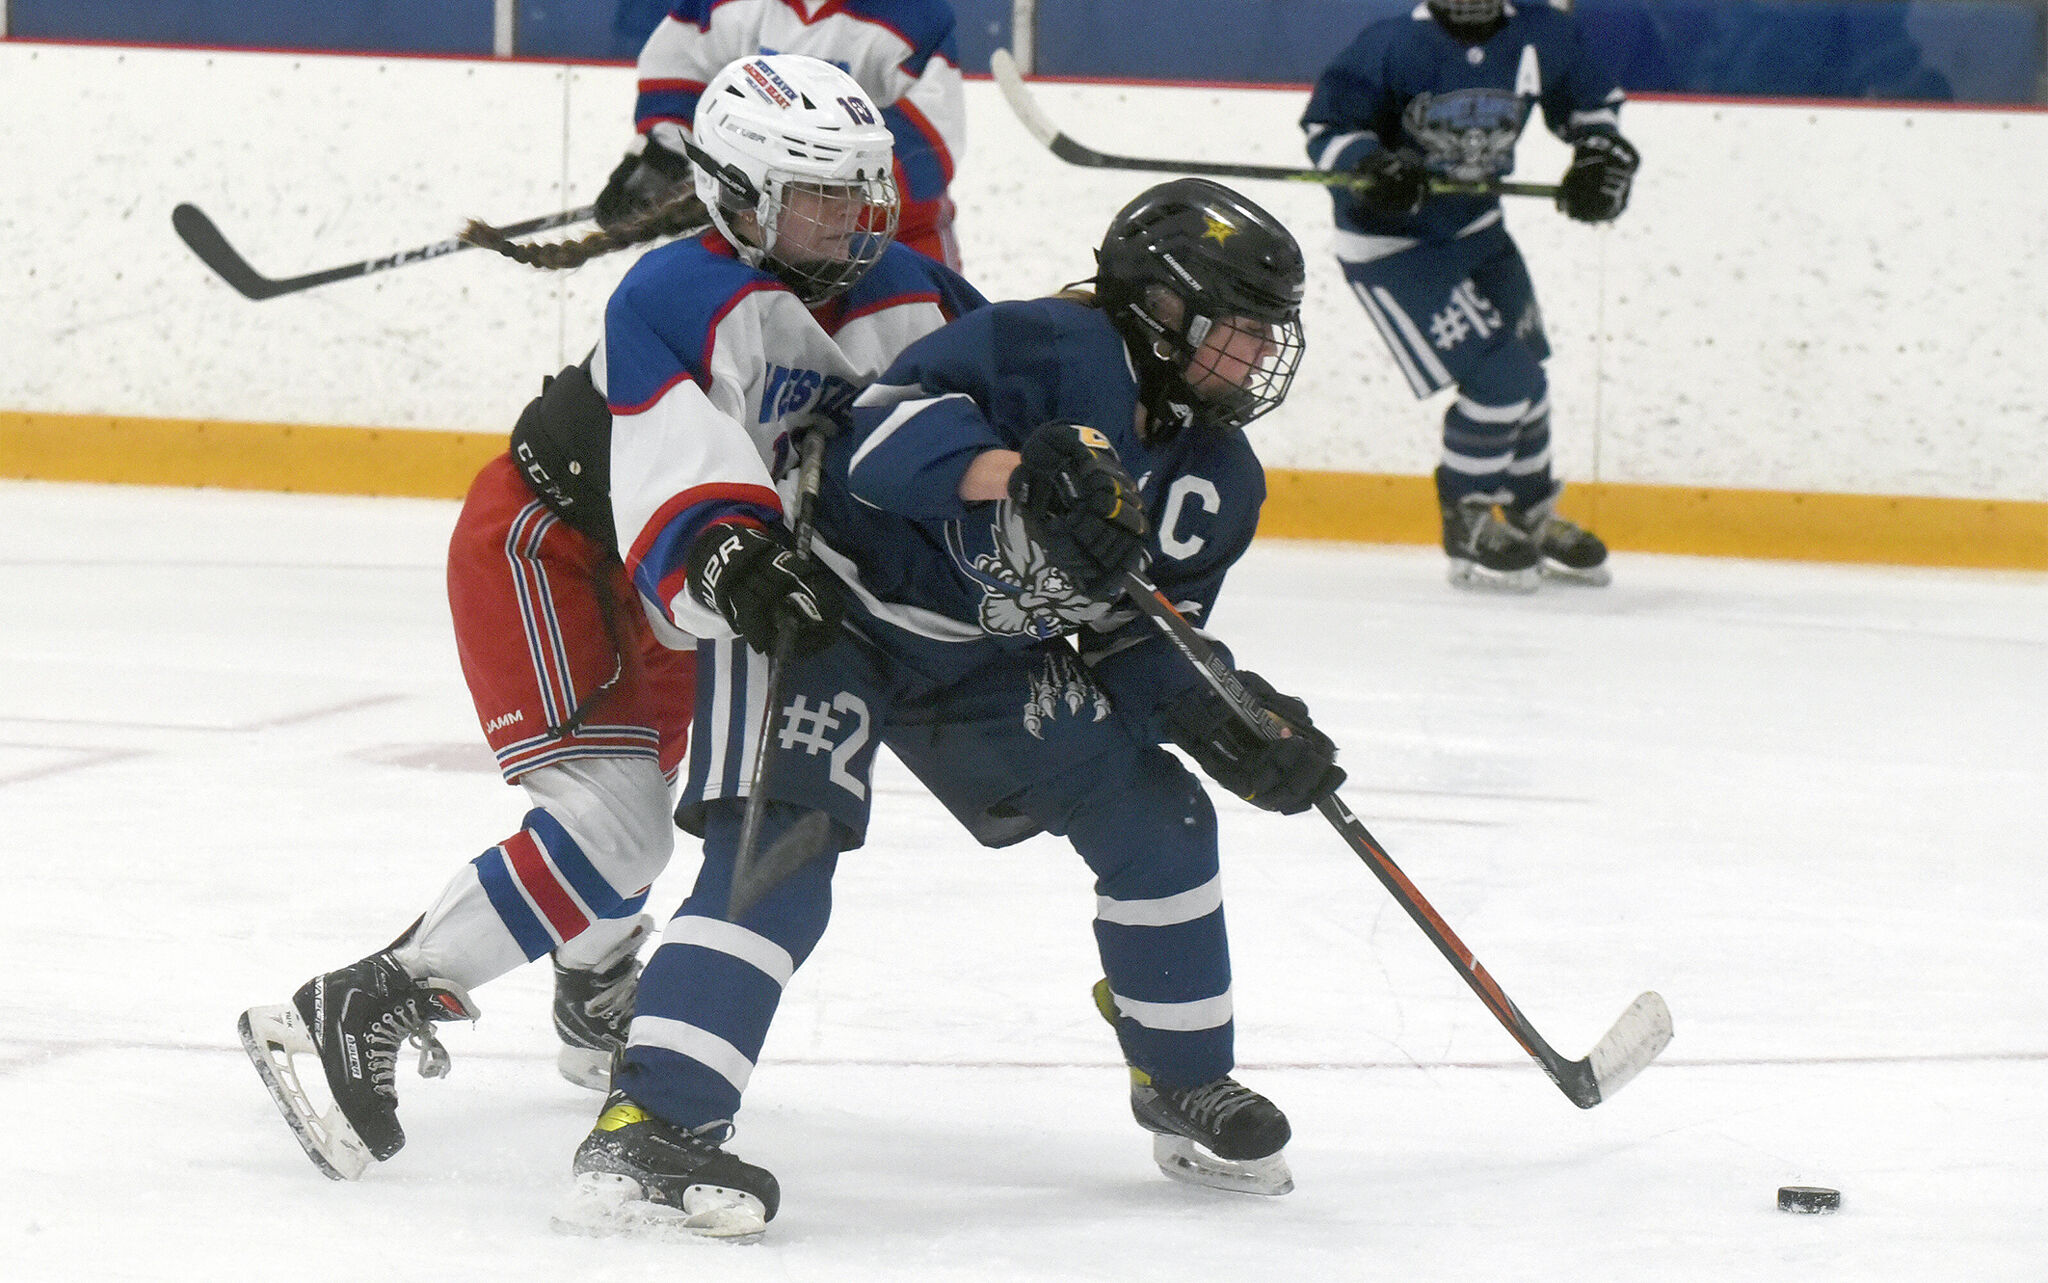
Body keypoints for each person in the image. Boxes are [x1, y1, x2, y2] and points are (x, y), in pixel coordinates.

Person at [237, 52, 985, 1183]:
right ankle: (354, 1001)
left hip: (688, 585)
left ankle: (594, 993)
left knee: (629, 820)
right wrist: (734, 564)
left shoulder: (899, 287)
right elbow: (680, 478)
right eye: (818, 192)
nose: (852, 216)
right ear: (737, 192)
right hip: (560, 553)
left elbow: (1002, 371)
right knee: (617, 826)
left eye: (858, 187)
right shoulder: (674, 294)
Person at [555, 178, 1348, 1241]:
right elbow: (875, 448)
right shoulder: (1042, 347)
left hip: (980, 660)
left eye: (1264, 337)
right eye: (1234, 331)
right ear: (1160, 309)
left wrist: (1226, 714)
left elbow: (1134, 632)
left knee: (1163, 821)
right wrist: (1015, 474)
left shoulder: (1217, 480)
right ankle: (653, 1118)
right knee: (778, 858)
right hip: (826, 613)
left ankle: (1181, 1076)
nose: (1252, 360)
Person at [1301, 0, 1639, 591]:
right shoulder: (1391, 44)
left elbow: (1592, 108)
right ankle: (1468, 516)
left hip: (1480, 233)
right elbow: (1328, 127)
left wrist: (1597, 159)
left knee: (1528, 372)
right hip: (1393, 247)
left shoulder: (1544, 35)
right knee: (1502, 381)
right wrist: (1370, 165)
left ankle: (1529, 510)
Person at [594, 0, 966, 270]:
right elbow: (680, 69)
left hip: (896, 245)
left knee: (934, 366)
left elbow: (930, 145)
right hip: (762, 245)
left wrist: (803, 202)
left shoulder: (916, 13)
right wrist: (664, 158)